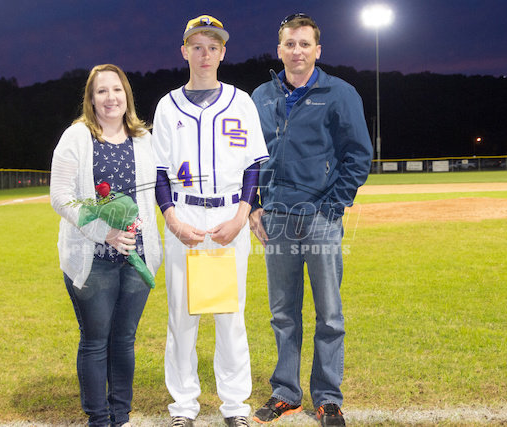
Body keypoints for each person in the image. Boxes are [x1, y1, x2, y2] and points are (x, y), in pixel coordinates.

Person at [249, 13, 373, 427]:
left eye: (305, 44)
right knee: (283, 313)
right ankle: (286, 393)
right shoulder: (261, 96)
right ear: (279, 49)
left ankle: (328, 397)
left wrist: (334, 206)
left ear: (317, 50)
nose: (297, 51)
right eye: (290, 44)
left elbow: (358, 154)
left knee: (329, 313)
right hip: (277, 217)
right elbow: (248, 157)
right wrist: (254, 205)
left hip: (320, 215)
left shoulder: (339, 92)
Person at [152, 15, 269, 427]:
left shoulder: (241, 101)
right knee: (182, 317)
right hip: (184, 214)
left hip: (228, 216)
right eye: (197, 46)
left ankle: (235, 406)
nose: (205, 54)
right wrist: (172, 219)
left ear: (223, 53)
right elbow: (159, 172)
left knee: (229, 316)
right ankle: (183, 406)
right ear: (184, 51)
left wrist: (242, 214)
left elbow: (254, 164)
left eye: (213, 47)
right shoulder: (167, 105)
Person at [50, 64, 163, 427]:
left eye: (117, 89)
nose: (111, 97)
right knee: (96, 340)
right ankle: (99, 418)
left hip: (136, 257)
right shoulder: (77, 137)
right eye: (102, 91)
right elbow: (60, 197)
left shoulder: (144, 139)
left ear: (126, 94)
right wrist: (106, 233)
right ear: (91, 98)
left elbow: (155, 195)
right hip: (93, 258)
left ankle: (121, 415)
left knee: (124, 340)